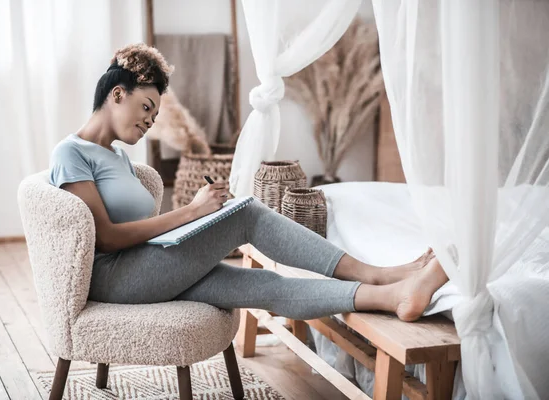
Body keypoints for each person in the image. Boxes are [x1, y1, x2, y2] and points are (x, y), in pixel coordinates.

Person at [49, 43, 448, 323]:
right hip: (115, 279)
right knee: (247, 216)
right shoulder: (71, 154)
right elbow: (108, 239)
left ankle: (394, 297)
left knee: (262, 284)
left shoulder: (118, 156)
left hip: (143, 267)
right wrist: (191, 212)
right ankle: (373, 273)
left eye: (154, 114)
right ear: (117, 94)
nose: (150, 121)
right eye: (146, 108)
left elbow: (142, 234)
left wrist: (196, 218)